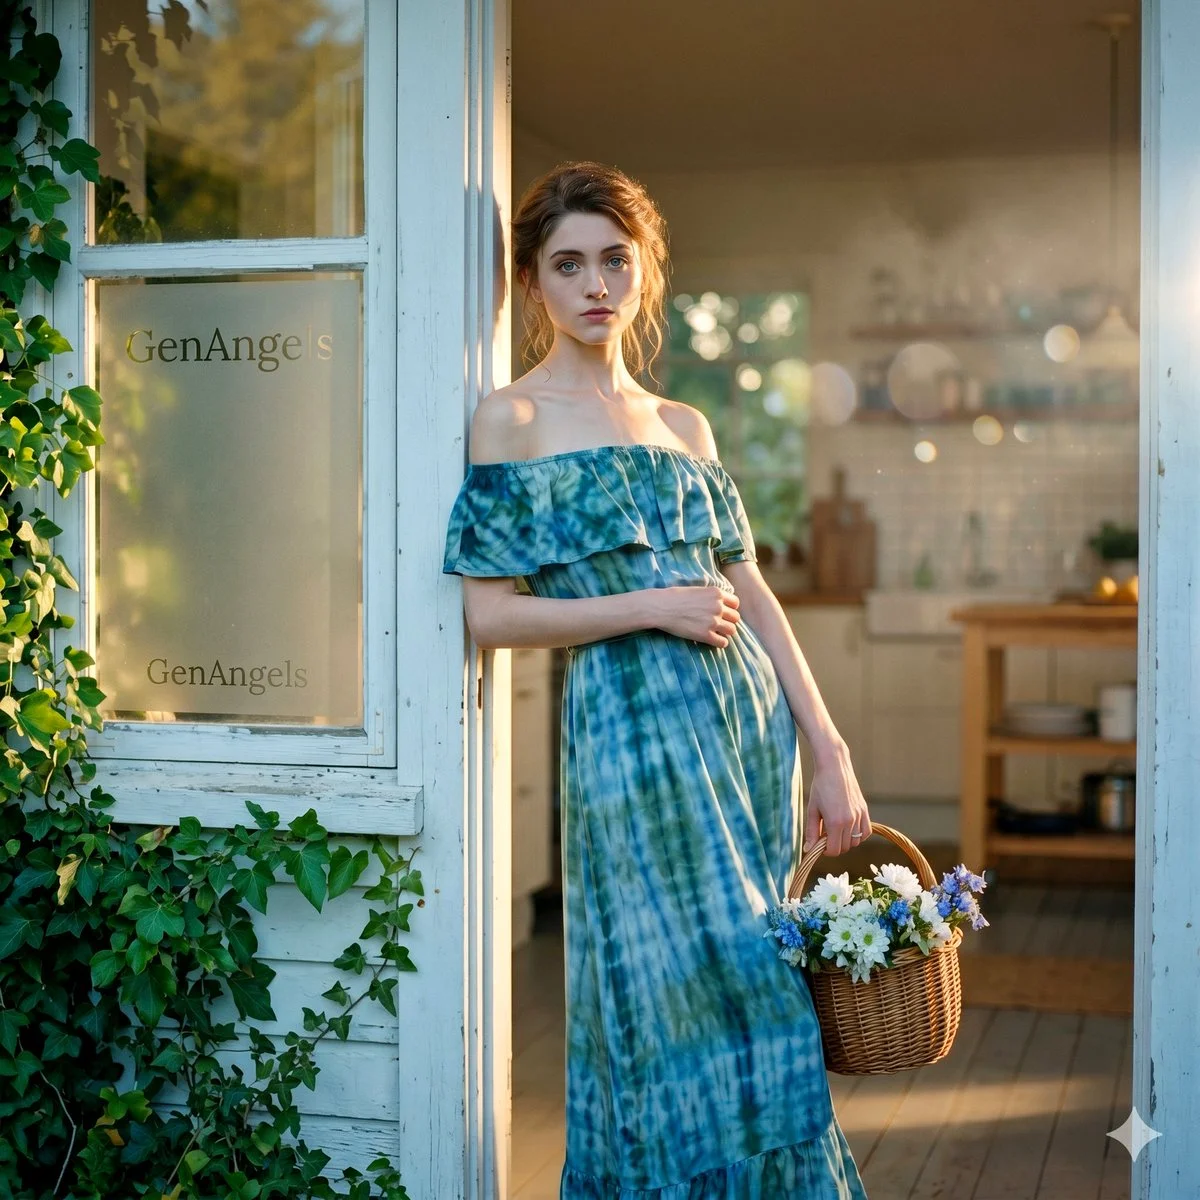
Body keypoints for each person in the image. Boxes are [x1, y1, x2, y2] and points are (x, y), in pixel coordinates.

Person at [443, 160, 870, 1198]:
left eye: (614, 261)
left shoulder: (686, 426)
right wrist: (650, 604)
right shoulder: (514, 421)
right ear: (532, 283)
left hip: (742, 737)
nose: (595, 285)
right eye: (568, 264)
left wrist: (829, 747)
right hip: (627, 747)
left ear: (644, 273)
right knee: (659, 1000)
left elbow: (753, 595)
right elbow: (488, 612)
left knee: (765, 994)